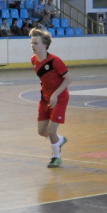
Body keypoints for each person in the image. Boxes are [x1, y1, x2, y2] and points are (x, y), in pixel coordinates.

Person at [29, 28, 71, 168]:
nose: (32, 45)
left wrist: (55, 95)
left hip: (59, 98)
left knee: (51, 131)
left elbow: (68, 78)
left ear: (44, 45)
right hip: (45, 98)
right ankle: (59, 140)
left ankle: (56, 157)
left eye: (35, 43)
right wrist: (46, 95)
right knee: (42, 131)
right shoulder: (34, 60)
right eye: (31, 42)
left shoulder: (55, 61)